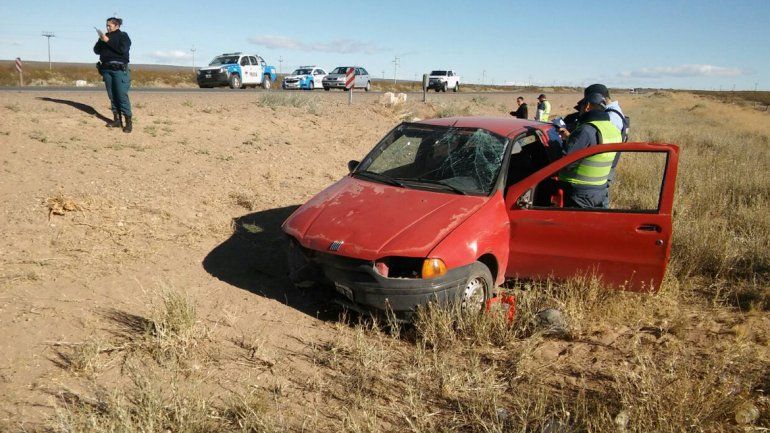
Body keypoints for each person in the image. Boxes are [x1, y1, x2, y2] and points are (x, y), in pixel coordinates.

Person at [556, 93, 622, 208]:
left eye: (580, 108)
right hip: (600, 190)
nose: (579, 111)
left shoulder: (586, 129)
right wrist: (571, 138)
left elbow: (567, 163)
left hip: (579, 193)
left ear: (587, 106)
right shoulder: (613, 129)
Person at [93, 17, 132, 133]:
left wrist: (107, 41)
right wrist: (101, 40)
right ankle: (117, 120)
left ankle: (128, 122)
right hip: (106, 69)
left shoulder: (123, 36)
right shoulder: (104, 36)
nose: (107, 27)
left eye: (110, 25)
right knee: (112, 96)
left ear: (117, 26)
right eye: (107, 25)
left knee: (121, 95)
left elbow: (122, 49)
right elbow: (96, 50)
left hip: (119, 70)